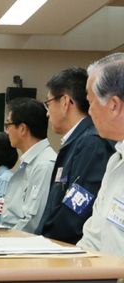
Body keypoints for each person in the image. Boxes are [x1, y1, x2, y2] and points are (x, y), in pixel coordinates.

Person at [36, 67, 114, 244]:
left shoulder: (91, 142)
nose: (47, 113)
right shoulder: (77, 140)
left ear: (65, 102)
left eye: (48, 104)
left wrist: (45, 241)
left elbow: (76, 208)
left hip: (69, 249)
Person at [77, 53, 124, 256]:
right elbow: (92, 237)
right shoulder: (115, 161)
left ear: (113, 105)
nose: (89, 112)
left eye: (90, 102)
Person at [1, 97, 56, 233]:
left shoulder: (44, 164)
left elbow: (33, 222)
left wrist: (5, 241)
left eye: (8, 125)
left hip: (21, 242)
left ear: (22, 129)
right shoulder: (29, 161)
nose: (6, 131)